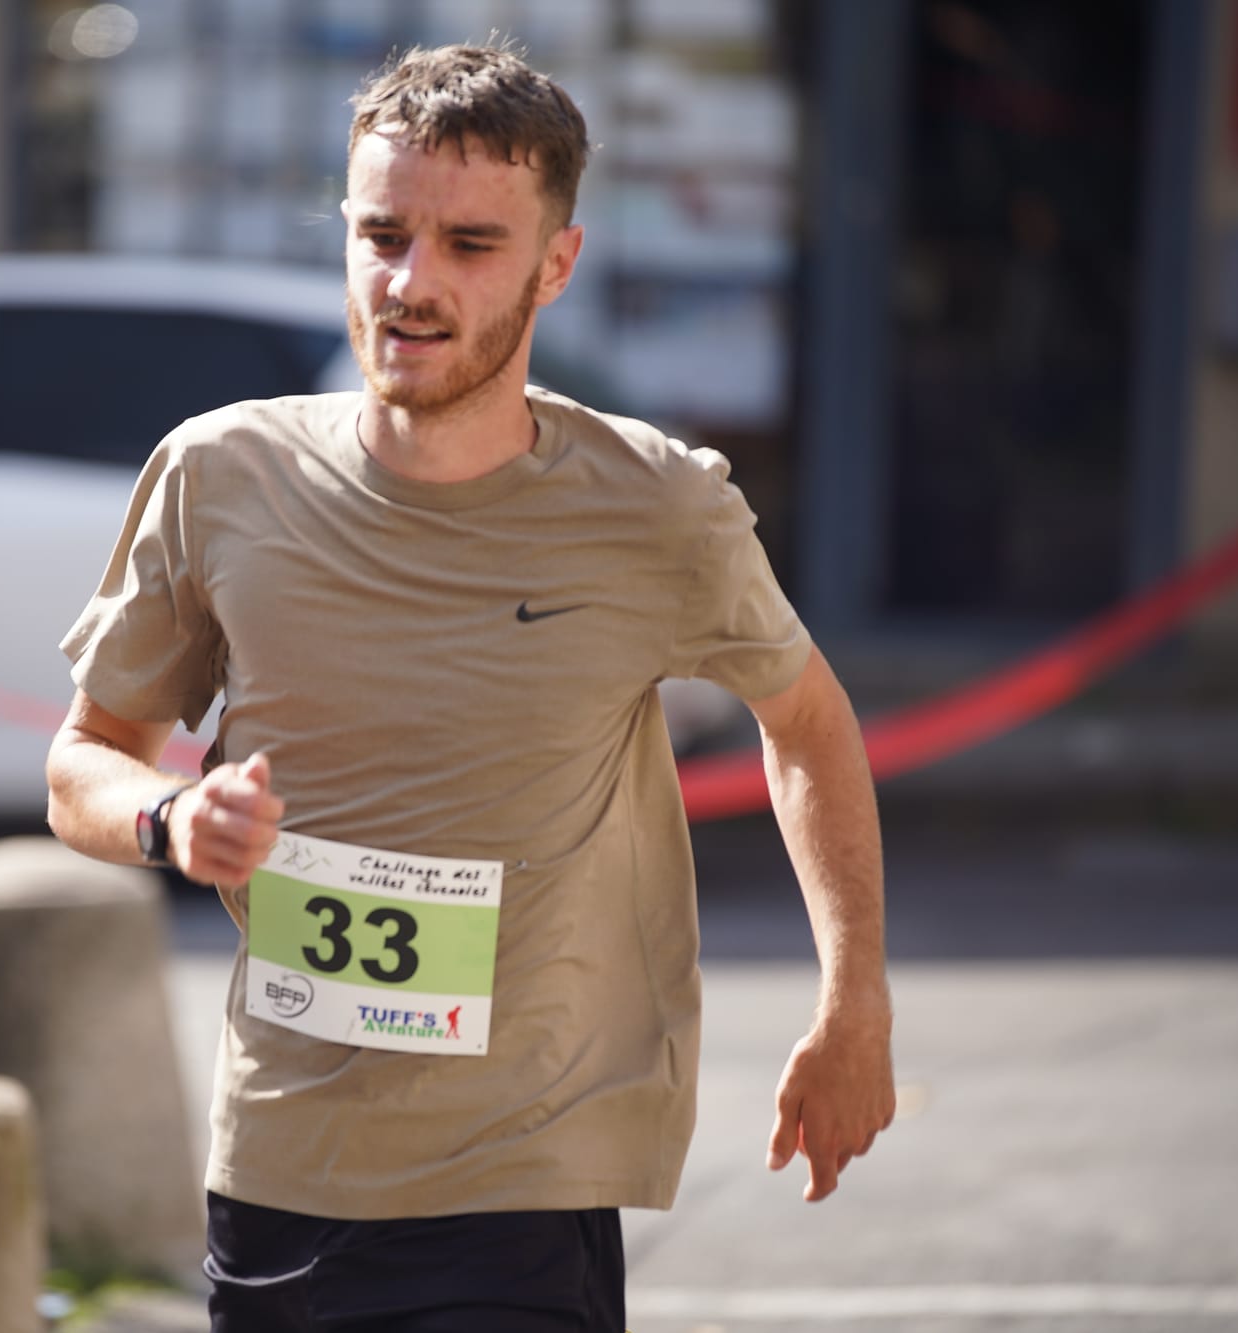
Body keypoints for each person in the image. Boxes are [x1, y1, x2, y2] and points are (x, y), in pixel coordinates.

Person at [46, 41, 895, 1332]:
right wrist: (171, 819)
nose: (411, 282)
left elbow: (808, 726)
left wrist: (855, 1000)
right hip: (280, 1167)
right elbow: (81, 763)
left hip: (524, 1184)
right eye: (381, 234)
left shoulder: (656, 506)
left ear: (558, 262)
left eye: (469, 244)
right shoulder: (220, 475)